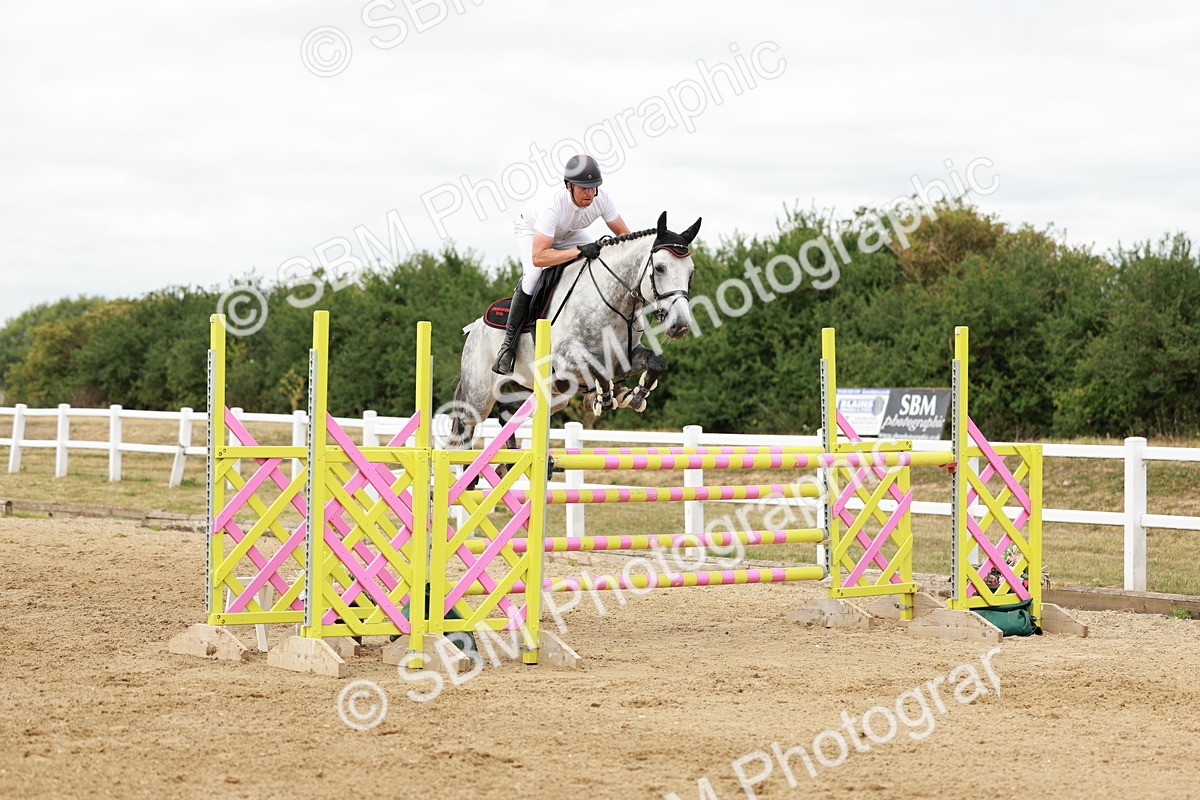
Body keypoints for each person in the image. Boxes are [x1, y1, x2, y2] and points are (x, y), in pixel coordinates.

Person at [492, 154, 631, 374]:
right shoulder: (553, 207)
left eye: (593, 187)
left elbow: (624, 234)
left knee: (600, 260)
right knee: (533, 276)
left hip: (569, 232)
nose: (589, 193)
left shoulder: (602, 199)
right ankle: (508, 347)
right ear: (568, 186)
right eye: (583, 188)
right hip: (532, 232)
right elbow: (540, 256)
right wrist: (579, 251)